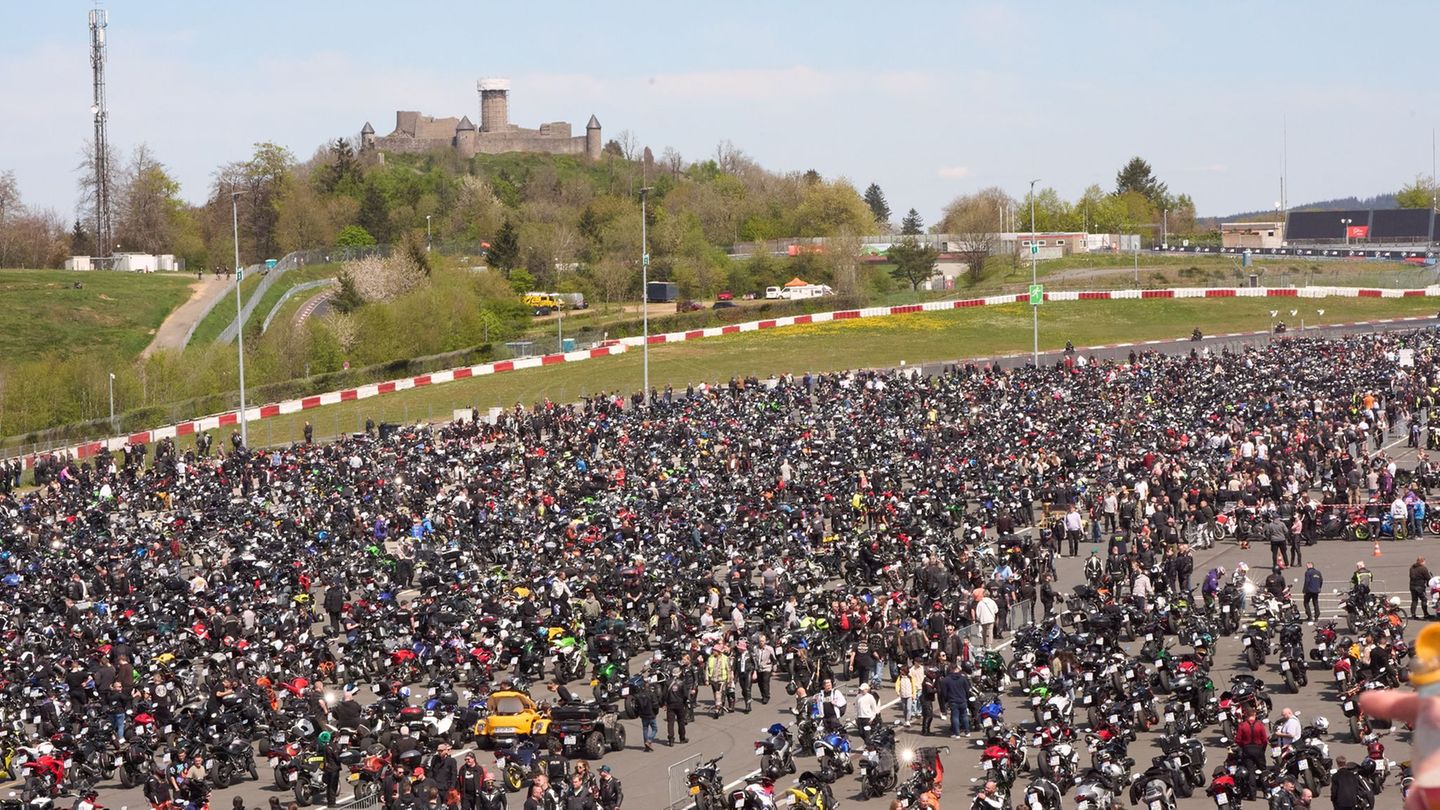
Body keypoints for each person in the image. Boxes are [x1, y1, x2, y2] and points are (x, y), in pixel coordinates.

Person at [1233, 709, 1269, 800]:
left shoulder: (1242, 726)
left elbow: (1238, 740)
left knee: (1250, 772)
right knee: (1263, 771)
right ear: (1255, 715)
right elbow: (1265, 740)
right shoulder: (1260, 725)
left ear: (1246, 715)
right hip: (1258, 749)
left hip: (1247, 749)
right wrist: (1262, 750)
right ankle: (1266, 792)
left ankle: (1252, 795)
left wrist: (1243, 747)